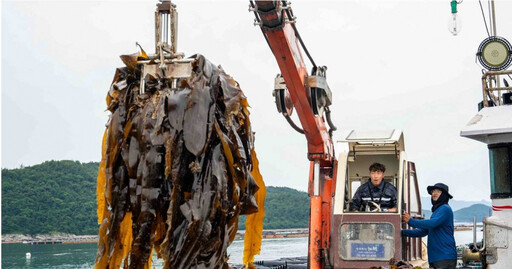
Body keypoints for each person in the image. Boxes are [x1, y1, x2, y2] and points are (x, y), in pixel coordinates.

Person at [401, 183, 457, 269]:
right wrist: (402, 232)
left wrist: (410, 221)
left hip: (444, 257)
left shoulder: (445, 209)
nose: (434, 193)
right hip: (436, 258)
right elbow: (423, 231)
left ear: (444, 195)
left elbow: (432, 223)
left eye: (438, 191)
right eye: (433, 191)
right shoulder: (437, 211)